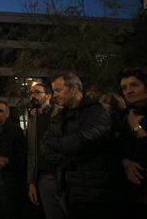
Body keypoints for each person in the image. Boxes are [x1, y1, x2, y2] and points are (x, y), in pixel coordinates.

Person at [42, 72, 119, 219]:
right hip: (68, 192)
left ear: (73, 89)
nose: (54, 95)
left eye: (58, 90)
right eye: (53, 91)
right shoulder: (58, 116)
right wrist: (70, 156)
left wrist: (60, 147)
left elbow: (83, 141)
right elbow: (45, 147)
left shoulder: (96, 112)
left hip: (96, 194)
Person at [27, 83, 66, 219]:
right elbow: (32, 153)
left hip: (64, 179)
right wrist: (31, 182)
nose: (32, 96)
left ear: (48, 95)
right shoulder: (32, 119)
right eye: (31, 93)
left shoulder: (62, 113)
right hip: (43, 181)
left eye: (37, 92)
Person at [119, 68, 147, 218]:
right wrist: (124, 161)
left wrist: (137, 128)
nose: (129, 91)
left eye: (134, 85)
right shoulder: (125, 115)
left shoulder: (131, 119)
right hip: (131, 194)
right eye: (124, 88)